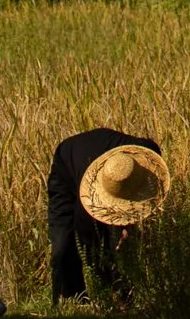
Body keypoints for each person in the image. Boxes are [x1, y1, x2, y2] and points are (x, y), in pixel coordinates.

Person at [46, 129, 171, 303]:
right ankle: (70, 300)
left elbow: (137, 201)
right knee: (63, 244)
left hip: (98, 153)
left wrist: (129, 227)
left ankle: (123, 296)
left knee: (120, 240)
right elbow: (89, 238)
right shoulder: (90, 191)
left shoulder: (146, 157)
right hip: (68, 163)